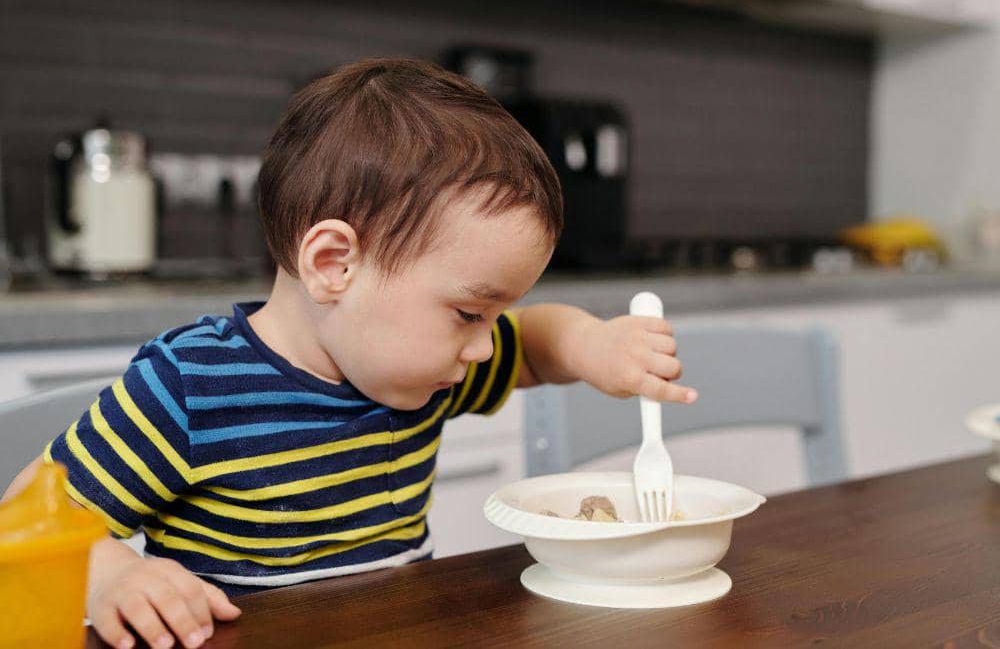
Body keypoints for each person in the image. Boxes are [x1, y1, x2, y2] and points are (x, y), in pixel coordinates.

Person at [1, 57, 696, 649]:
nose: (486, 347)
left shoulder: (425, 367)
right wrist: (107, 573)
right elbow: (26, 524)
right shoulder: (191, 389)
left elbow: (536, 348)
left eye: (496, 315)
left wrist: (591, 344)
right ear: (334, 264)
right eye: (469, 312)